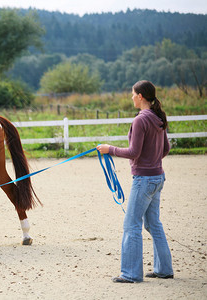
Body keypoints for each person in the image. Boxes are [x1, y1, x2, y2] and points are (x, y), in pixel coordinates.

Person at [97, 80, 173, 283]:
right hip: (158, 176)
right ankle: (164, 269)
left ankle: (130, 274)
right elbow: (165, 149)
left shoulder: (140, 120)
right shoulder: (158, 117)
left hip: (144, 179)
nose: (131, 97)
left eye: (132, 94)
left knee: (131, 224)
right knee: (153, 224)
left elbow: (133, 152)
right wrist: (152, 160)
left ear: (140, 96)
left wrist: (108, 149)